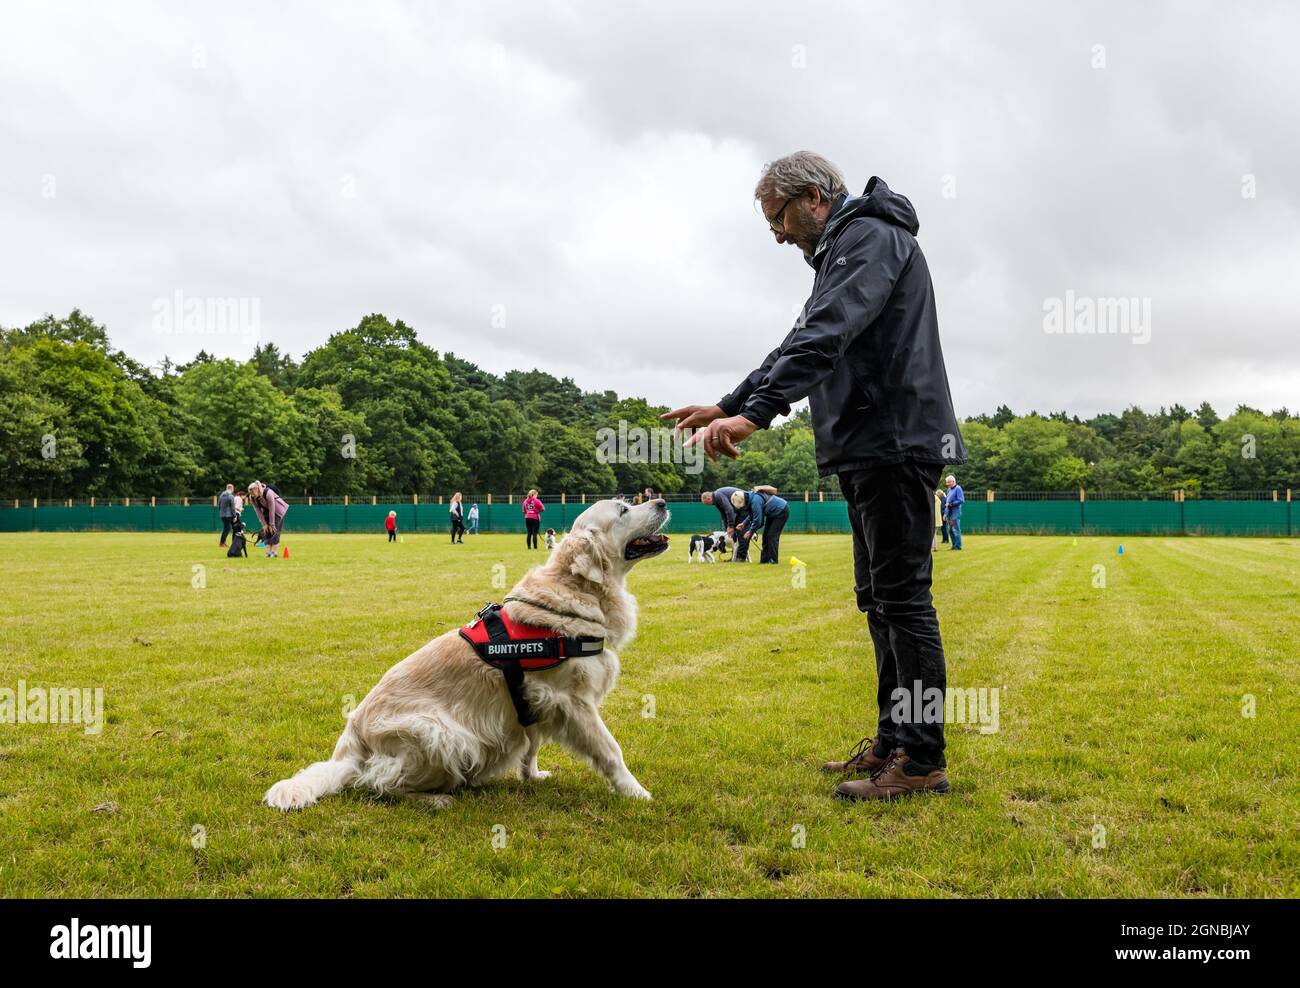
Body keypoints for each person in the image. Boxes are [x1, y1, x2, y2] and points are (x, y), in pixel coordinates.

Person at [663, 151, 965, 801]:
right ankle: (895, 742)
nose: (776, 234)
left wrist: (755, 418)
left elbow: (827, 332)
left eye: (777, 217)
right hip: (867, 446)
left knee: (904, 601)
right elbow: (796, 339)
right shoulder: (844, 250)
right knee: (879, 601)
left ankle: (923, 760)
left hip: (894, 441)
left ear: (813, 198)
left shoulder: (871, 238)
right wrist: (730, 404)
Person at [731, 489, 791, 564]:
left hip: (781, 511)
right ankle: (764, 560)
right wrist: (744, 523)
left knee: (772, 536)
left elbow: (758, 521)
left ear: (743, 501)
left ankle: (773, 560)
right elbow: (753, 514)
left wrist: (750, 531)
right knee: (765, 536)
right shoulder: (750, 498)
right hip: (772, 513)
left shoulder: (755, 501)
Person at [247, 480, 289, 558]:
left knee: (274, 530)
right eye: (251, 494)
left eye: (253, 493)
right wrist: (264, 524)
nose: (252, 496)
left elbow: (272, 509)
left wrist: (271, 524)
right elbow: (258, 511)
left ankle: (274, 552)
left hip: (278, 510)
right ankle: (268, 552)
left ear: (258, 490)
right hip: (266, 510)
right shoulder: (252, 498)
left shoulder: (268, 493)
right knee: (266, 531)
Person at [944, 475, 964, 550]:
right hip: (949, 512)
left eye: (948, 482)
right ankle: (954, 545)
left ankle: (958, 546)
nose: (947, 484)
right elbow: (947, 502)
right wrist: (945, 513)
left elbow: (961, 500)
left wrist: (951, 504)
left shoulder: (958, 488)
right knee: (950, 529)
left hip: (955, 512)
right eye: (947, 482)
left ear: (953, 481)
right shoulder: (949, 490)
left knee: (955, 529)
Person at [218, 483, 237, 548]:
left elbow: (219, 505)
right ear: (232, 488)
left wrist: (220, 512)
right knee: (227, 529)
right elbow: (232, 507)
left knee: (226, 528)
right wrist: (234, 516)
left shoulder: (221, 495)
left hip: (222, 514)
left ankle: (224, 542)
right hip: (228, 515)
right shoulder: (230, 496)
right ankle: (222, 543)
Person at [932, 488, 944, 552]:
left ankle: (933, 547)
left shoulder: (934, 498)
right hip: (938, 519)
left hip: (935, 519)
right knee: (934, 534)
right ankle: (934, 547)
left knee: (933, 534)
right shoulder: (939, 500)